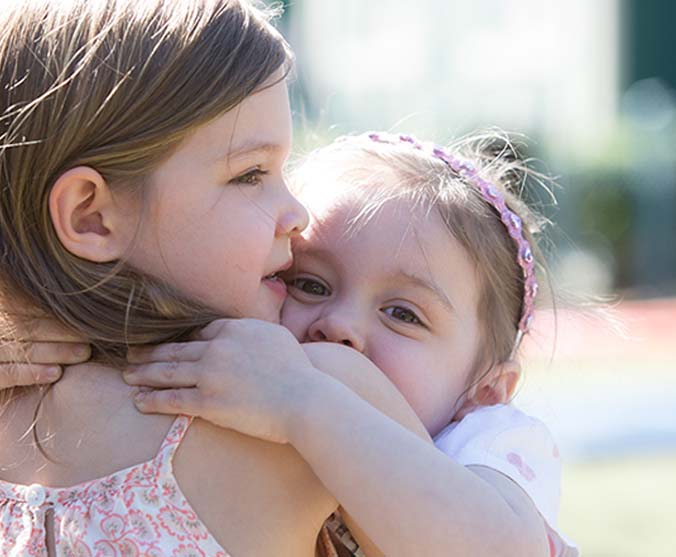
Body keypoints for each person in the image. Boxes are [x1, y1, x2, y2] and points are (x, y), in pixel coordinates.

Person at [0, 1, 427, 555]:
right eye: (250, 175)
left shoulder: (309, 389)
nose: (297, 214)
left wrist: (307, 405)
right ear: (90, 217)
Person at [119, 132, 580, 556]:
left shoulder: (489, 439)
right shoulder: (247, 380)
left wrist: (304, 402)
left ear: (486, 388)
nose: (338, 325)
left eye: (402, 314)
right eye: (311, 284)